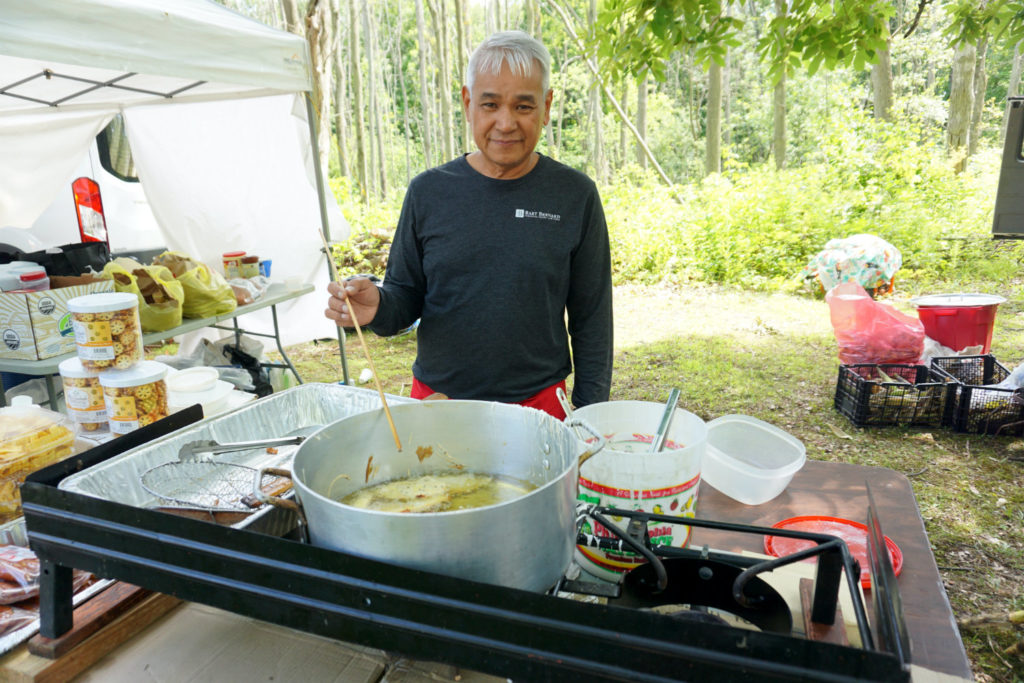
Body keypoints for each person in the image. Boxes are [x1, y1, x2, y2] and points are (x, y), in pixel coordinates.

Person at [324, 30, 612, 419]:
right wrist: (378, 307)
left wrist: (592, 412)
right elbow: (404, 296)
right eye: (490, 103)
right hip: (439, 404)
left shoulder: (574, 196)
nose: (505, 123)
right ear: (467, 102)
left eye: (523, 107)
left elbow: (591, 316)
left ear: (546, 107)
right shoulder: (428, 192)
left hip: (539, 406)